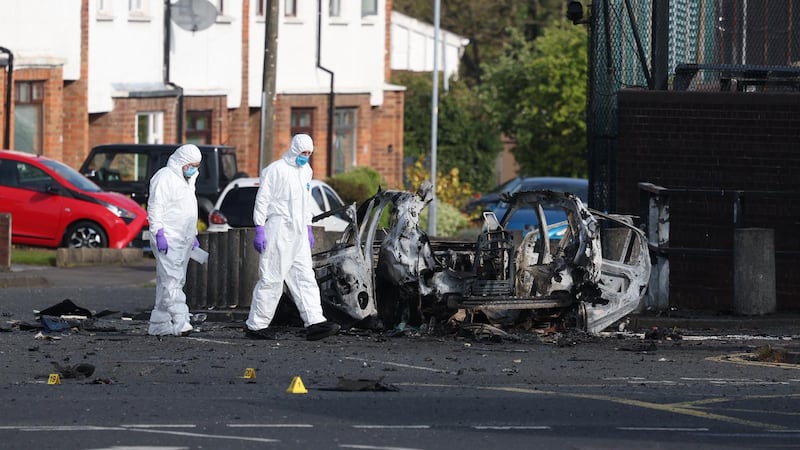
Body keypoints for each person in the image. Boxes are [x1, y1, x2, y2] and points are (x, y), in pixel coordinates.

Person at [246, 134, 340, 341]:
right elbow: (262, 200)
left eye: (309, 153)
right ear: (294, 149)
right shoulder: (275, 170)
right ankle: (256, 324)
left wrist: (308, 226)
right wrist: (259, 227)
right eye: (303, 153)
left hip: (298, 231)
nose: (305, 157)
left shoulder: (306, 171)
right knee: (272, 278)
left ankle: (315, 322)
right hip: (279, 228)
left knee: (305, 276)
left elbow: (306, 202)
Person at [147, 144, 202, 336]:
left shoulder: (187, 181)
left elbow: (187, 211)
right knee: (172, 280)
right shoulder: (164, 177)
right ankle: (181, 320)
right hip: (168, 238)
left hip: (183, 238)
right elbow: (156, 207)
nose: (194, 169)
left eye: (196, 165)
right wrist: (158, 232)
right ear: (182, 162)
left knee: (168, 281)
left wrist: (192, 234)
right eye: (192, 165)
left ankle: (159, 323)